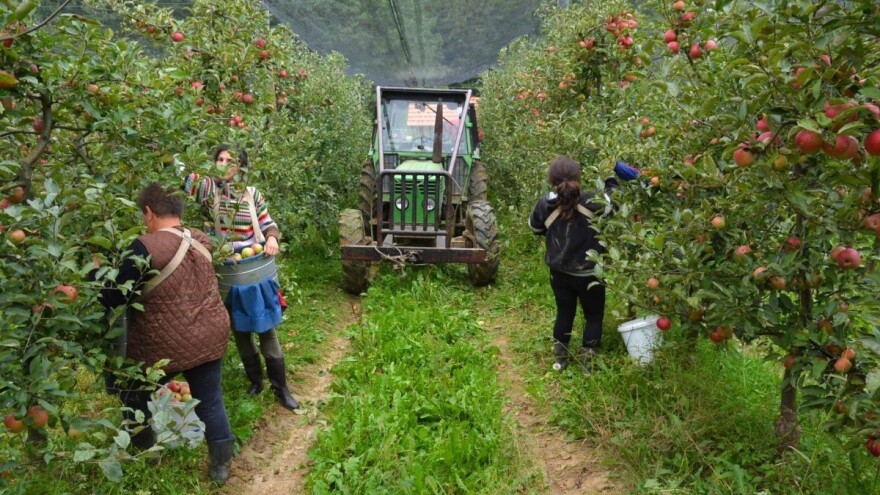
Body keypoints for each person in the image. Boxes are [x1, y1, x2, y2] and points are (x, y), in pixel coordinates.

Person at [100, 182, 235, 485]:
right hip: (208, 335)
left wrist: (101, 276)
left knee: (133, 394)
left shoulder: (143, 247)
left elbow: (114, 298)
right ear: (177, 210)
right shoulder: (201, 239)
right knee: (210, 400)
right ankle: (220, 465)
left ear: (148, 211)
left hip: (159, 344)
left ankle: (146, 452)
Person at [182, 144, 299, 410]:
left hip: (255, 269)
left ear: (241, 166)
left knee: (266, 329)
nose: (223, 164)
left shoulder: (251, 194)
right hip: (227, 273)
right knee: (240, 331)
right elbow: (183, 176)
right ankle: (255, 381)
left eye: (230, 160)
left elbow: (269, 223)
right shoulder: (209, 191)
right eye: (219, 160)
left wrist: (272, 238)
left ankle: (281, 388)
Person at [529, 156, 620, 373]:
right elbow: (613, 208)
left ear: (552, 179)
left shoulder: (545, 203)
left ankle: (560, 361)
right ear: (579, 175)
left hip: (559, 272)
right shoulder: (593, 199)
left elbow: (536, 229)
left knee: (564, 312)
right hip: (590, 273)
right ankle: (589, 364)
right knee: (594, 315)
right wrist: (612, 184)